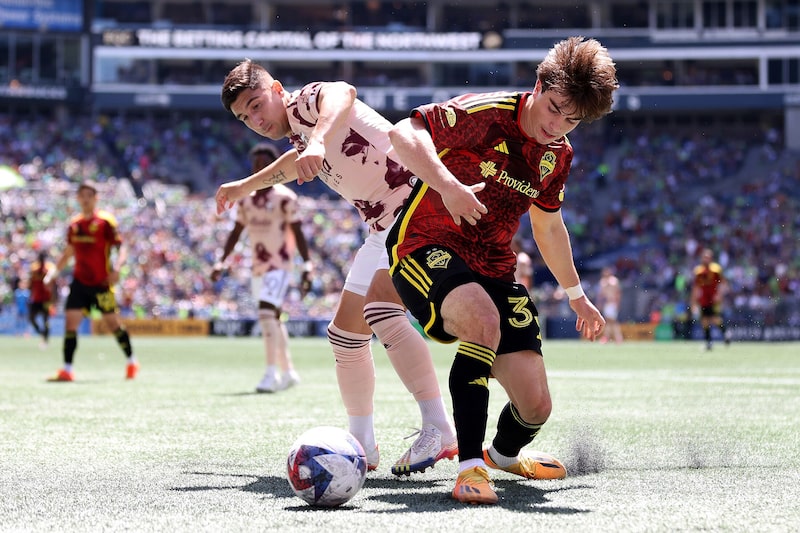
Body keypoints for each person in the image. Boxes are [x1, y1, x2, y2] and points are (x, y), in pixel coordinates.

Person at [386, 36, 618, 504]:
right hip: (425, 245)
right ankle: (469, 468)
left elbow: (548, 226)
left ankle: (501, 456)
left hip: (492, 266)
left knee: (536, 406)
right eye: (554, 109)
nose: (557, 126)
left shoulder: (558, 155)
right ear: (539, 85)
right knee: (482, 321)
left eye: (572, 120)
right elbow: (401, 134)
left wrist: (577, 296)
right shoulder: (486, 113)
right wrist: (448, 186)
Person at [215, 60, 457, 475]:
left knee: (382, 312)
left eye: (256, 105)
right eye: (244, 117)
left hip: (417, 207)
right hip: (384, 226)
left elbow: (344, 91)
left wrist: (317, 142)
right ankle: (361, 446)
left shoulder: (307, 102)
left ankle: (439, 428)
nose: (255, 120)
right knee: (345, 336)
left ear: (277, 89)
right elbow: (294, 162)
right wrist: (245, 185)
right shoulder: (299, 132)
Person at [212, 142, 312, 393]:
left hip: (280, 265)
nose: (260, 169)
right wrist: (221, 260)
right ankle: (288, 372)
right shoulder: (246, 200)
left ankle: (270, 374)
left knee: (266, 314)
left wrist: (307, 264)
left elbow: (298, 233)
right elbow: (236, 232)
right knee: (274, 319)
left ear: (274, 166)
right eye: (256, 165)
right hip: (258, 266)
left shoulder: (285, 198)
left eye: (265, 164)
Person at [44, 180, 138, 382]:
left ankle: (131, 361)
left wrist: (118, 269)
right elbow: (68, 252)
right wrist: (53, 273)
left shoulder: (106, 222)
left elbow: (121, 247)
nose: (85, 199)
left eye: (89, 196)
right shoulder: (74, 225)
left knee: (113, 324)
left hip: (101, 283)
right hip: (79, 282)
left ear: (96, 198)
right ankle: (67, 369)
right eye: (82, 196)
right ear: (78, 198)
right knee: (71, 323)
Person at [690, 248, 730, 350]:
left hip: (714, 299)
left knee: (714, 319)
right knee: (704, 321)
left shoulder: (716, 269)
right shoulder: (698, 271)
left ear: (711, 258)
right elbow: (696, 288)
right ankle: (709, 342)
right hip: (703, 300)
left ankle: (725, 333)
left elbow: (724, 283)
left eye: (708, 257)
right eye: (704, 257)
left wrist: (720, 295)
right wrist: (693, 302)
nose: (706, 259)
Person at [29, 251, 56, 347]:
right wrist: (31, 295)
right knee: (31, 318)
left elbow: (54, 284)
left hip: (46, 299)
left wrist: (54, 298)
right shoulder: (34, 268)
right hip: (36, 299)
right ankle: (41, 333)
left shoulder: (50, 268)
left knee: (46, 320)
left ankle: (45, 339)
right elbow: (31, 283)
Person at [597, 267, 624, 344]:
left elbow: (618, 293)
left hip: (612, 303)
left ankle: (614, 337)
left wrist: (617, 303)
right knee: (609, 321)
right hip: (606, 304)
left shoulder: (614, 281)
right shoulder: (602, 282)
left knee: (612, 321)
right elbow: (601, 295)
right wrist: (599, 304)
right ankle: (614, 337)